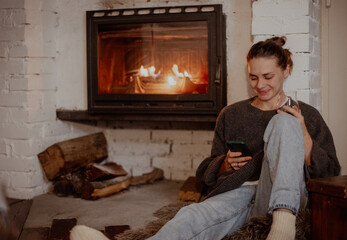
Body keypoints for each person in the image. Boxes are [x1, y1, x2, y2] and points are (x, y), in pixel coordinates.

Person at [146, 36, 341, 240]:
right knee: (191, 215)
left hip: (282, 195)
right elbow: (205, 173)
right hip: (237, 193)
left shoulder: (307, 115)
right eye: (253, 77)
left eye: (268, 76)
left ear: (286, 70)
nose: (260, 84)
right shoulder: (231, 114)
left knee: (284, 122)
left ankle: (283, 225)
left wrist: (302, 134)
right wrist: (224, 164)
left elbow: (330, 172)